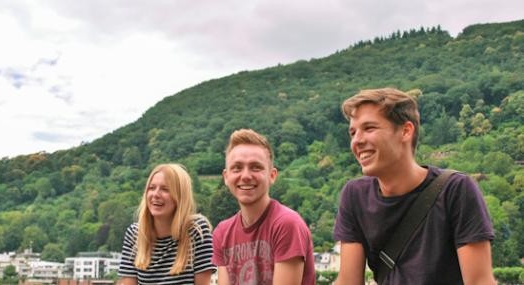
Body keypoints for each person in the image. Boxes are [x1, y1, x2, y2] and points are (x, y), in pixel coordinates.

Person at [333, 88, 496, 284]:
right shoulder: (355, 195)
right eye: (353, 132)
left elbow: (479, 282)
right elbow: (349, 282)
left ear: (405, 131)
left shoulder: (456, 190)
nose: (357, 140)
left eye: (369, 128)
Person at [212, 129, 316, 285]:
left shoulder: (286, 224)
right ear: (226, 177)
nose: (246, 176)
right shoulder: (222, 232)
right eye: (237, 168)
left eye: (255, 167)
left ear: (272, 175)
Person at [119, 163, 216, 285]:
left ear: (180, 197)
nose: (155, 194)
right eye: (152, 188)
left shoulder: (197, 231)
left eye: (165, 189)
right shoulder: (134, 235)